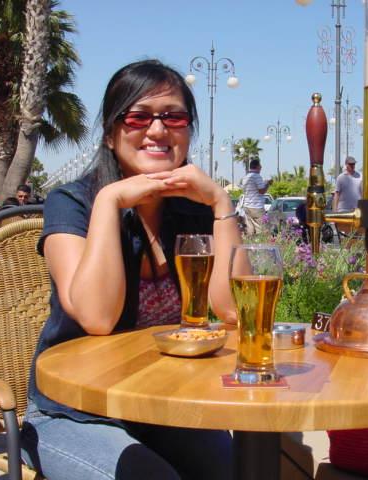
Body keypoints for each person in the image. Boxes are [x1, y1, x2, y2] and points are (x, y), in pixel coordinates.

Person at [20, 59, 240, 480]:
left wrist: (220, 204)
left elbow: (232, 310)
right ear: (110, 133)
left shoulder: (191, 209)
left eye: (173, 117)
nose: (157, 130)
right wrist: (110, 202)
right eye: (138, 117)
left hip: (160, 405)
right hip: (73, 412)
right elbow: (97, 318)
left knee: (237, 469)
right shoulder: (73, 203)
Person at [240, 159, 272, 235]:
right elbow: (261, 191)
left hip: (247, 206)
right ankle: (261, 242)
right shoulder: (257, 176)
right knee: (262, 230)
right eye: (260, 165)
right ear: (257, 166)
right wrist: (268, 184)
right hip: (256, 207)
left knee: (250, 230)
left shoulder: (245, 177)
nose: (261, 167)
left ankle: (249, 241)